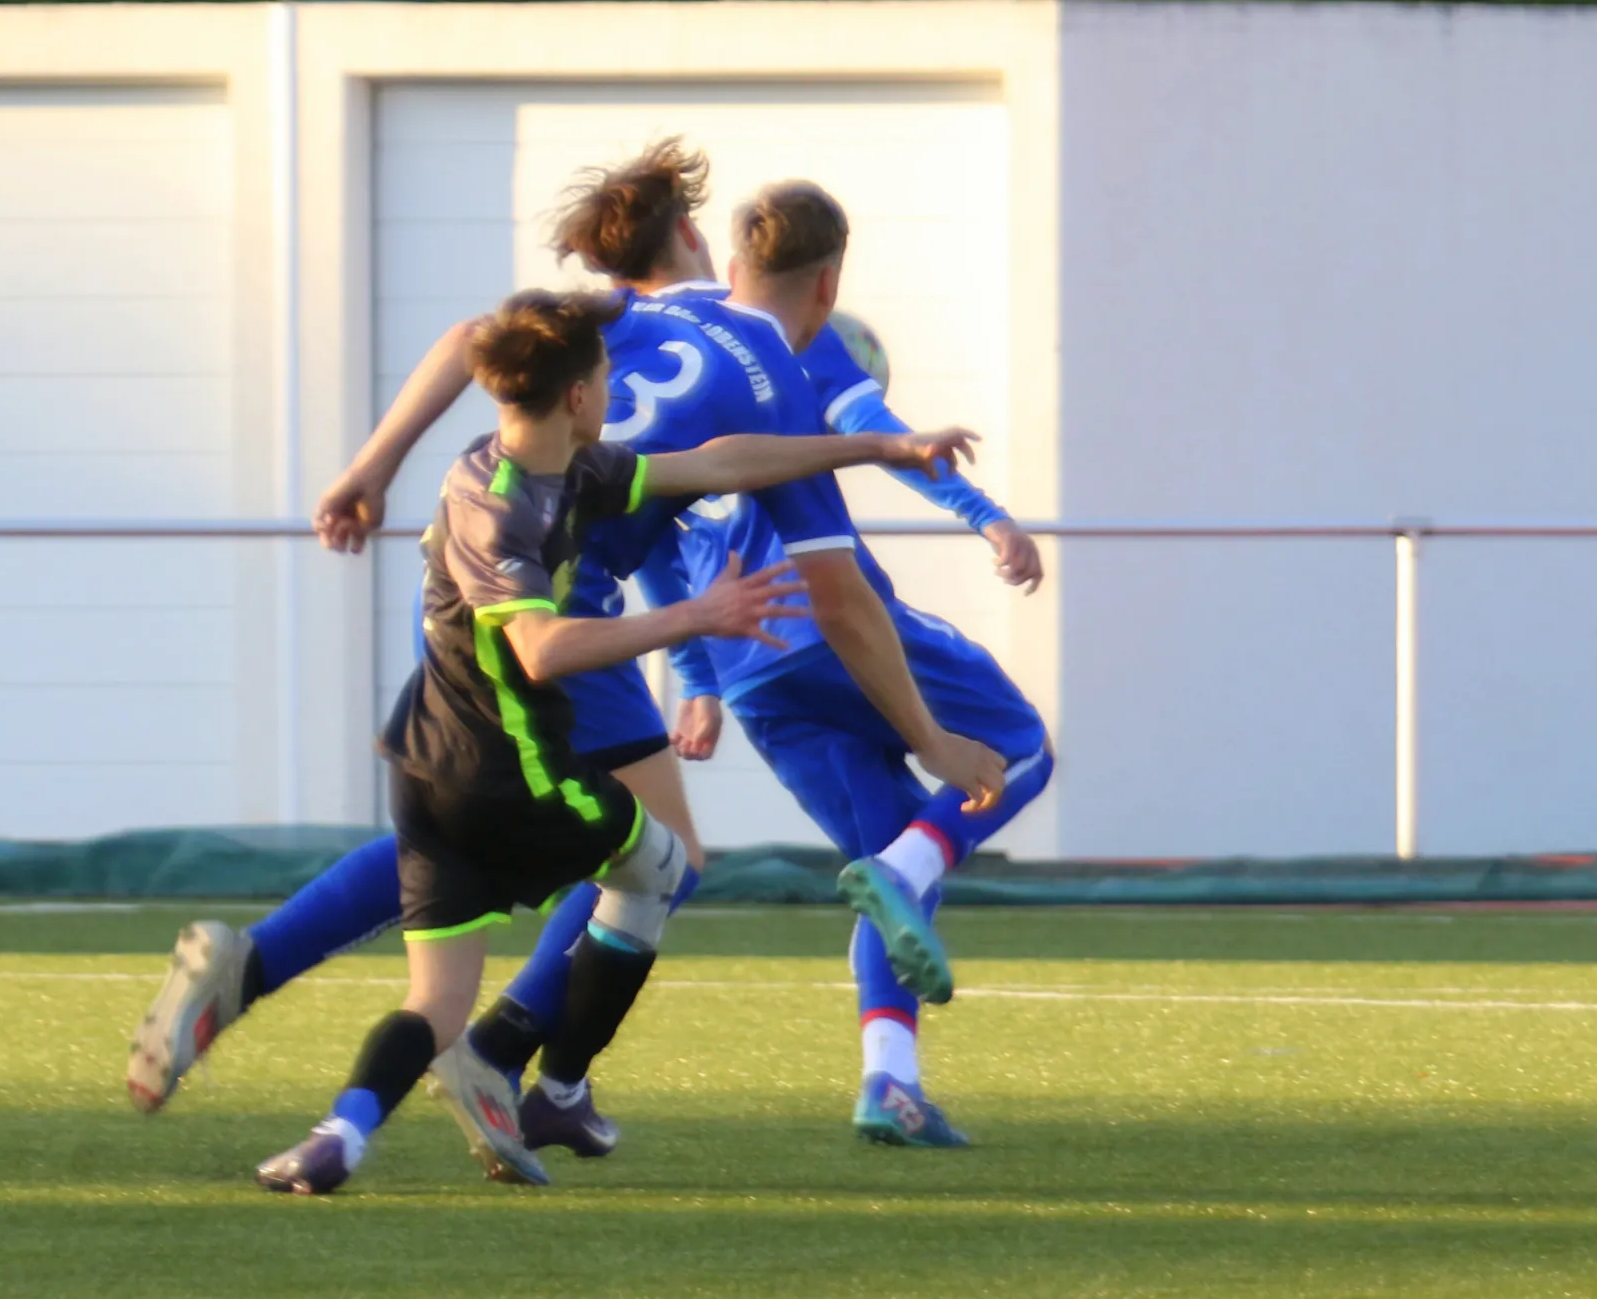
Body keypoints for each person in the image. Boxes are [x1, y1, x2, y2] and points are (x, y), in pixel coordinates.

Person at [126, 143, 1011, 1154]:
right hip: (560, 614)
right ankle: (501, 1060)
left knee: (460, 831)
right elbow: (837, 594)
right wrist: (930, 741)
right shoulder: (775, 377)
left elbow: (472, 338)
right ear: (822, 286)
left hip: (463, 580)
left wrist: (371, 465)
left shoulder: (627, 311)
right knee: (653, 857)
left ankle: (268, 971)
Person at [252, 287, 979, 1194]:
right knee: (661, 866)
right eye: (603, 376)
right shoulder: (499, 505)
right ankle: (559, 1084)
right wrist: (696, 617)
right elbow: (542, 648)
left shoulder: (568, 469)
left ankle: (340, 1138)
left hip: (427, 772)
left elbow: (718, 463)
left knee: (436, 1003)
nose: (612, 387)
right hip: (519, 777)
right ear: (577, 396)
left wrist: (878, 447)